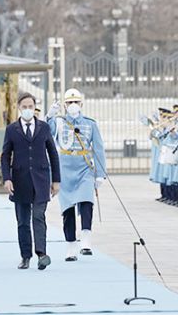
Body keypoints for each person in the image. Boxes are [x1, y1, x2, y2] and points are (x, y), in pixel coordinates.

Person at [1, 92, 60, 270]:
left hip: (41, 180)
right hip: (20, 181)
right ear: (19, 108)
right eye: (24, 106)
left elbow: (53, 154)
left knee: (38, 217)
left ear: (35, 108)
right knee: (23, 221)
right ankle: (25, 256)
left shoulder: (43, 128)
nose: (28, 110)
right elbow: (5, 156)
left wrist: (56, 180)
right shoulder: (12, 129)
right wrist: (7, 178)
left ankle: (41, 253)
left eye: (31, 106)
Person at [46, 88, 106, 261]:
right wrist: (49, 117)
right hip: (64, 168)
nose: (73, 105)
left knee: (87, 200)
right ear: (65, 105)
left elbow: (99, 149)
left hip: (84, 167)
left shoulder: (90, 123)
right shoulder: (58, 122)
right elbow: (46, 134)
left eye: (76, 102)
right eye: (69, 103)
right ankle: (71, 244)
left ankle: (86, 237)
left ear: (81, 104)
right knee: (67, 209)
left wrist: (100, 174)